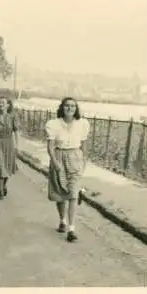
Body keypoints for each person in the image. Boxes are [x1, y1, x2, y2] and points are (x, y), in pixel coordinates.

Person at [45, 97, 90, 242]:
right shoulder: (54, 124)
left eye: (72, 106)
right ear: (62, 108)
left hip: (75, 157)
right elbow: (50, 147)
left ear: (76, 109)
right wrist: (54, 161)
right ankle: (62, 220)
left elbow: (84, 145)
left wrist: (84, 161)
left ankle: (71, 229)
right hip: (59, 157)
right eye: (66, 106)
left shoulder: (82, 124)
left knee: (73, 194)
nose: (69, 108)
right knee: (60, 193)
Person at [0, 96, 20, 200]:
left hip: (9, 143)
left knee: (7, 167)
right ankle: (0, 191)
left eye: (2, 103)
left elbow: (16, 132)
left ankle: (3, 185)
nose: (0, 104)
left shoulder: (12, 117)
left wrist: (17, 146)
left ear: (8, 105)